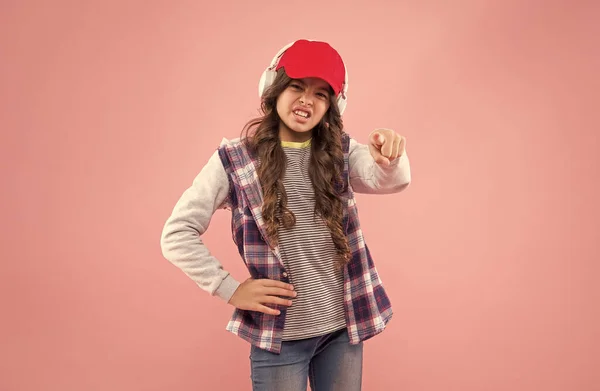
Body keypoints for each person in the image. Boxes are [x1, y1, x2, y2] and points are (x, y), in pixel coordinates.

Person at [160, 39, 411, 391]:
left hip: (342, 330)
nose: (307, 100)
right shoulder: (234, 159)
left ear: (333, 106)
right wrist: (229, 289)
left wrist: (391, 155)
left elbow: (391, 180)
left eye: (321, 94)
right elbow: (176, 233)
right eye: (297, 86)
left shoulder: (341, 152)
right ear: (273, 89)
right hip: (281, 339)